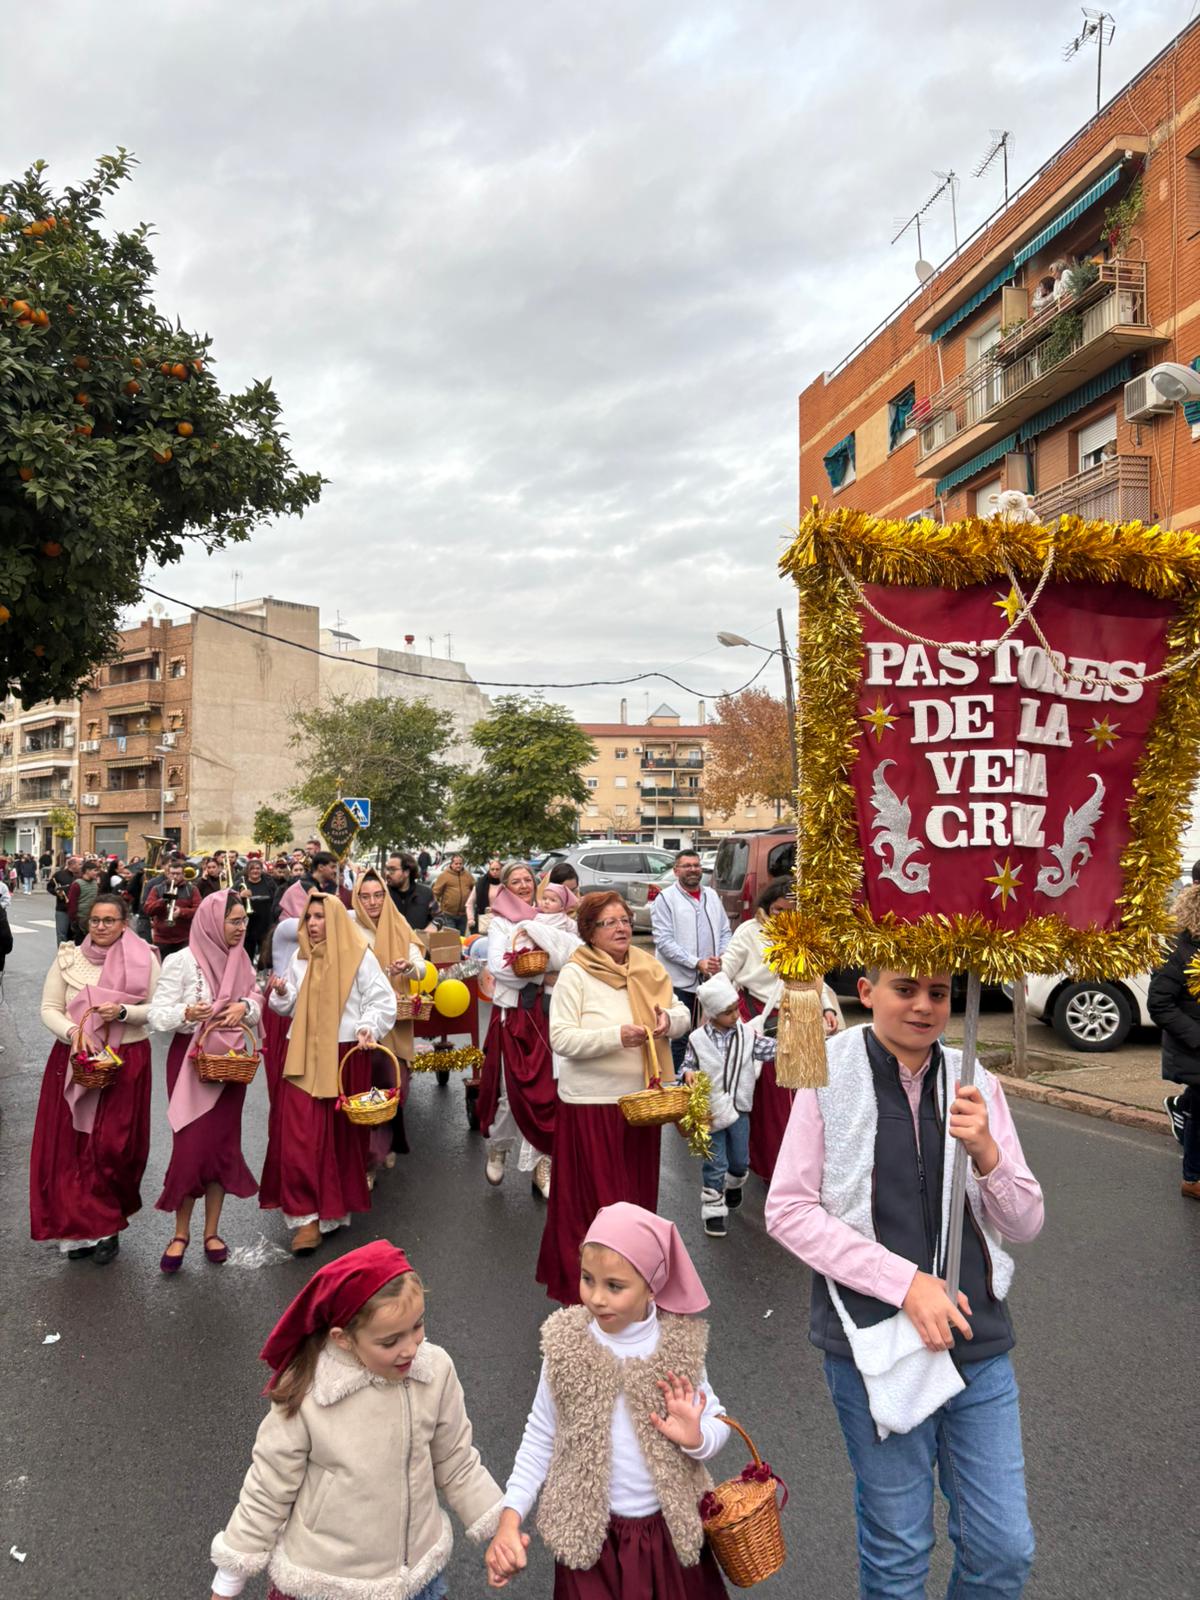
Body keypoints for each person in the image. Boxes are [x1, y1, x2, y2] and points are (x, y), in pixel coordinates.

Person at [765, 969, 1043, 1598]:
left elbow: (1025, 1222)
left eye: (938, 994)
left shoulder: (975, 1080)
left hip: (975, 1340)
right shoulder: (828, 1072)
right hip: (872, 1345)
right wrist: (906, 1283)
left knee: (1003, 1549)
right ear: (867, 993)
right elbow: (789, 1209)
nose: (923, 1006)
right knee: (899, 1553)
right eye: (905, 989)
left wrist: (988, 1154)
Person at [209, 1241, 502, 1600]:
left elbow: (456, 1461)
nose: (411, 1348)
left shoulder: (435, 1371)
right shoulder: (308, 1391)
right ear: (343, 1338)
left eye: (417, 1326)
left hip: (416, 1578)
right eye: (390, 1341)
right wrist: (228, 1581)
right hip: (327, 1582)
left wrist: (499, 1526)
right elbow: (267, 1489)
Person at [487, 1202, 730, 1597]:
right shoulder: (566, 1347)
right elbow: (541, 1435)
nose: (596, 1297)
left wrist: (697, 1438)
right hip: (590, 1542)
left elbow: (717, 1421)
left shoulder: (678, 1348)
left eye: (614, 1286)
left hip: (668, 1534)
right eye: (588, 1279)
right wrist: (510, 1518)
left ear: (652, 1286)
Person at [537, 892, 688, 1305]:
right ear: (590, 931)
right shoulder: (576, 974)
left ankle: (634, 1286)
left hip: (640, 1105)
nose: (621, 928)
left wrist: (668, 1021)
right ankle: (590, 1290)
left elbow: (681, 1013)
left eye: (624, 920)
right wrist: (616, 1036)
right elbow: (561, 1039)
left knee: (636, 1201)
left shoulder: (647, 967)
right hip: (591, 1106)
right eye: (610, 922)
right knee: (599, 1202)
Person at [259, 891, 397, 1254]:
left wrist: (368, 1025)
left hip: (342, 1052)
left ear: (334, 920)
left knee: (339, 1137)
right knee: (299, 1134)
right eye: (309, 917)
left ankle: (332, 1210)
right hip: (303, 1052)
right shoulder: (300, 958)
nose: (312, 924)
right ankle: (306, 1217)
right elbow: (287, 1007)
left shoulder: (360, 956)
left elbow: (382, 1000)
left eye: (319, 917)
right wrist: (282, 993)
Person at [29, 893, 161, 1264]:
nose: (101, 927)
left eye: (109, 920)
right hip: (75, 1059)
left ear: (124, 923)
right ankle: (80, 1231)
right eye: (95, 920)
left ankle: (107, 1226)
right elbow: (49, 1008)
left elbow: (159, 1008)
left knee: (112, 1147)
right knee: (73, 1146)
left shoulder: (145, 958)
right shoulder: (68, 957)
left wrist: (123, 1012)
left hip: (126, 1059)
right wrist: (74, 1032)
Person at [148, 892, 262, 1272]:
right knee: (190, 1149)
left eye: (244, 920)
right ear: (214, 922)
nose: (241, 927)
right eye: (234, 921)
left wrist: (245, 1006)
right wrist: (187, 1013)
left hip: (229, 1065)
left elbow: (256, 1000)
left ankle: (211, 1231)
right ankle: (180, 1233)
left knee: (221, 1148)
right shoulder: (181, 961)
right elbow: (157, 1015)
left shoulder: (241, 959)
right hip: (190, 1063)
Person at [721, 878, 842, 1182]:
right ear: (767, 907)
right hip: (764, 1021)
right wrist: (725, 1013)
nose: (785, 916)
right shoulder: (749, 932)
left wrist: (827, 1008)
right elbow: (724, 972)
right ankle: (775, 1169)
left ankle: (805, 1167)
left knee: (807, 1097)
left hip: (803, 1019)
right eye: (778, 910)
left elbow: (815, 977)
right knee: (773, 1103)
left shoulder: (805, 934)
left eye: (791, 910)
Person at [477, 861, 581, 1200]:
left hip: (548, 1013)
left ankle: (542, 1164)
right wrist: (541, 976)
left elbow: (569, 955)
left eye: (528, 880)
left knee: (549, 1090)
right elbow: (499, 967)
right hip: (514, 1014)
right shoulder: (500, 922)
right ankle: (499, 1147)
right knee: (511, 1092)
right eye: (516, 881)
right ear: (505, 887)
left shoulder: (546, 916)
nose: (524, 885)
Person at [681, 973, 775, 1239]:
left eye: (736, 1008)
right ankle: (713, 1211)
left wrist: (792, 1045)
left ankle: (735, 1182)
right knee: (715, 1162)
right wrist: (687, 1073)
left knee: (740, 1160)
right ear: (712, 1013)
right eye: (728, 1011)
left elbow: (767, 1049)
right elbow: (688, 1064)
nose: (736, 1015)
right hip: (709, 1112)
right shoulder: (697, 1039)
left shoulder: (747, 1035)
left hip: (738, 1109)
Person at [350, 868, 430, 1174]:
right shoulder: (349, 927)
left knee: (395, 1086)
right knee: (366, 1088)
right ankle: (371, 1156)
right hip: (361, 1017)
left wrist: (408, 967)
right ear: (356, 898)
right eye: (365, 897)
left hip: (396, 1020)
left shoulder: (398, 923)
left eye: (378, 895)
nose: (372, 902)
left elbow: (422, 968)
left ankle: (384, 1142)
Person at [651, 851, 731, 1073]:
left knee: (712, 1033)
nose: (693, 869)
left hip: (711, 978)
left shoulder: (712, 895)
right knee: (681, 1036)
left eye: (696, 865)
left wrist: (720, 956)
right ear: (676, 870)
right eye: (687, 866)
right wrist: (696, 962)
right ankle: (677, 1082)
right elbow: (664, 941)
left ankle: (706, 1079)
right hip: (680, 981)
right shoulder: (665, 899)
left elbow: (725, 931)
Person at [1147, 883, 1200, 1200]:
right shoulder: (1177, 950)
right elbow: (1159, 1004)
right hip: (1194, 1049)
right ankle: (1192, 1178)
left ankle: (1180, 1105)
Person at [143, 858, 199, 952]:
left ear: (183, 874)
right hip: (161, 939)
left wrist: (181, 912)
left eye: (178, 874)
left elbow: (198, 910)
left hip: (184, 939)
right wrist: (163, 901)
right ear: (168, 874)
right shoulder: (157, 889)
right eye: (172, 873)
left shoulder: (191, 889)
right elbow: (148, 909)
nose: (175, 876)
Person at [242, 854, 279, 964]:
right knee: (247, 956)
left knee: (266, 957)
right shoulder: (242, 883)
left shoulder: (269, 882)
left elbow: (277, 899)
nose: (255, 871)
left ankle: (264, 972)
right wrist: (240, 895)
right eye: (252, 868)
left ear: (262, 870)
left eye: (258, 868)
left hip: (266, 925)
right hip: (248, 927)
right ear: (248, 870)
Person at [385, 851, 437, 930]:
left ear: (406, 872)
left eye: (392, 869)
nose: (387, 873)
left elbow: (440, 917)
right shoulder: (383, 894)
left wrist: (432, 927)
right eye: (387, 869)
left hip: (417, 938)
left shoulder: (426, 893)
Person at [432, 853, 473, 933]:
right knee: (452, 936)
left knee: (461, 937)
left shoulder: (468, 876)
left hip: (463, 914)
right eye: (456, 864)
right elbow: (436, 892)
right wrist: (434, 908)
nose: (458, 865)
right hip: (448, 914)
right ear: (451, 864)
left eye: (460, 863)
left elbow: (474, 890)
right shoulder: (444, 875)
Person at [65, 859, 101, 944]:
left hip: (93, 917)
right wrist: (74, 919)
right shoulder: (77, 884)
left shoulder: (95, 883)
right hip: (81, 918)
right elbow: (72, 902)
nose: (97, 873)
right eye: (95, 870)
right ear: (87, 871)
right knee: (81, 943)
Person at [48, 854, 79, 944]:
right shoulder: (59, 875)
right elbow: (50, 887)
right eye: (79, 864)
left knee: (75, 935)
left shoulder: (81, 876)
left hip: (77, 910)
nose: (81, 866)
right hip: (62, 909)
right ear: (72, 865)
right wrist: (57, 893)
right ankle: (62, 952)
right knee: (62, 934)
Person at [469, 857, 504, 933]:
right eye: (492, 869)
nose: (494, 871)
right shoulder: (480, 884)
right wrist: (470, 918)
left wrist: (495, 909)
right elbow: (470, 903)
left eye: (497, 869)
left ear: (501, 870)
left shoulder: (506, 884)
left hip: (502, 921)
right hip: (484, 920)